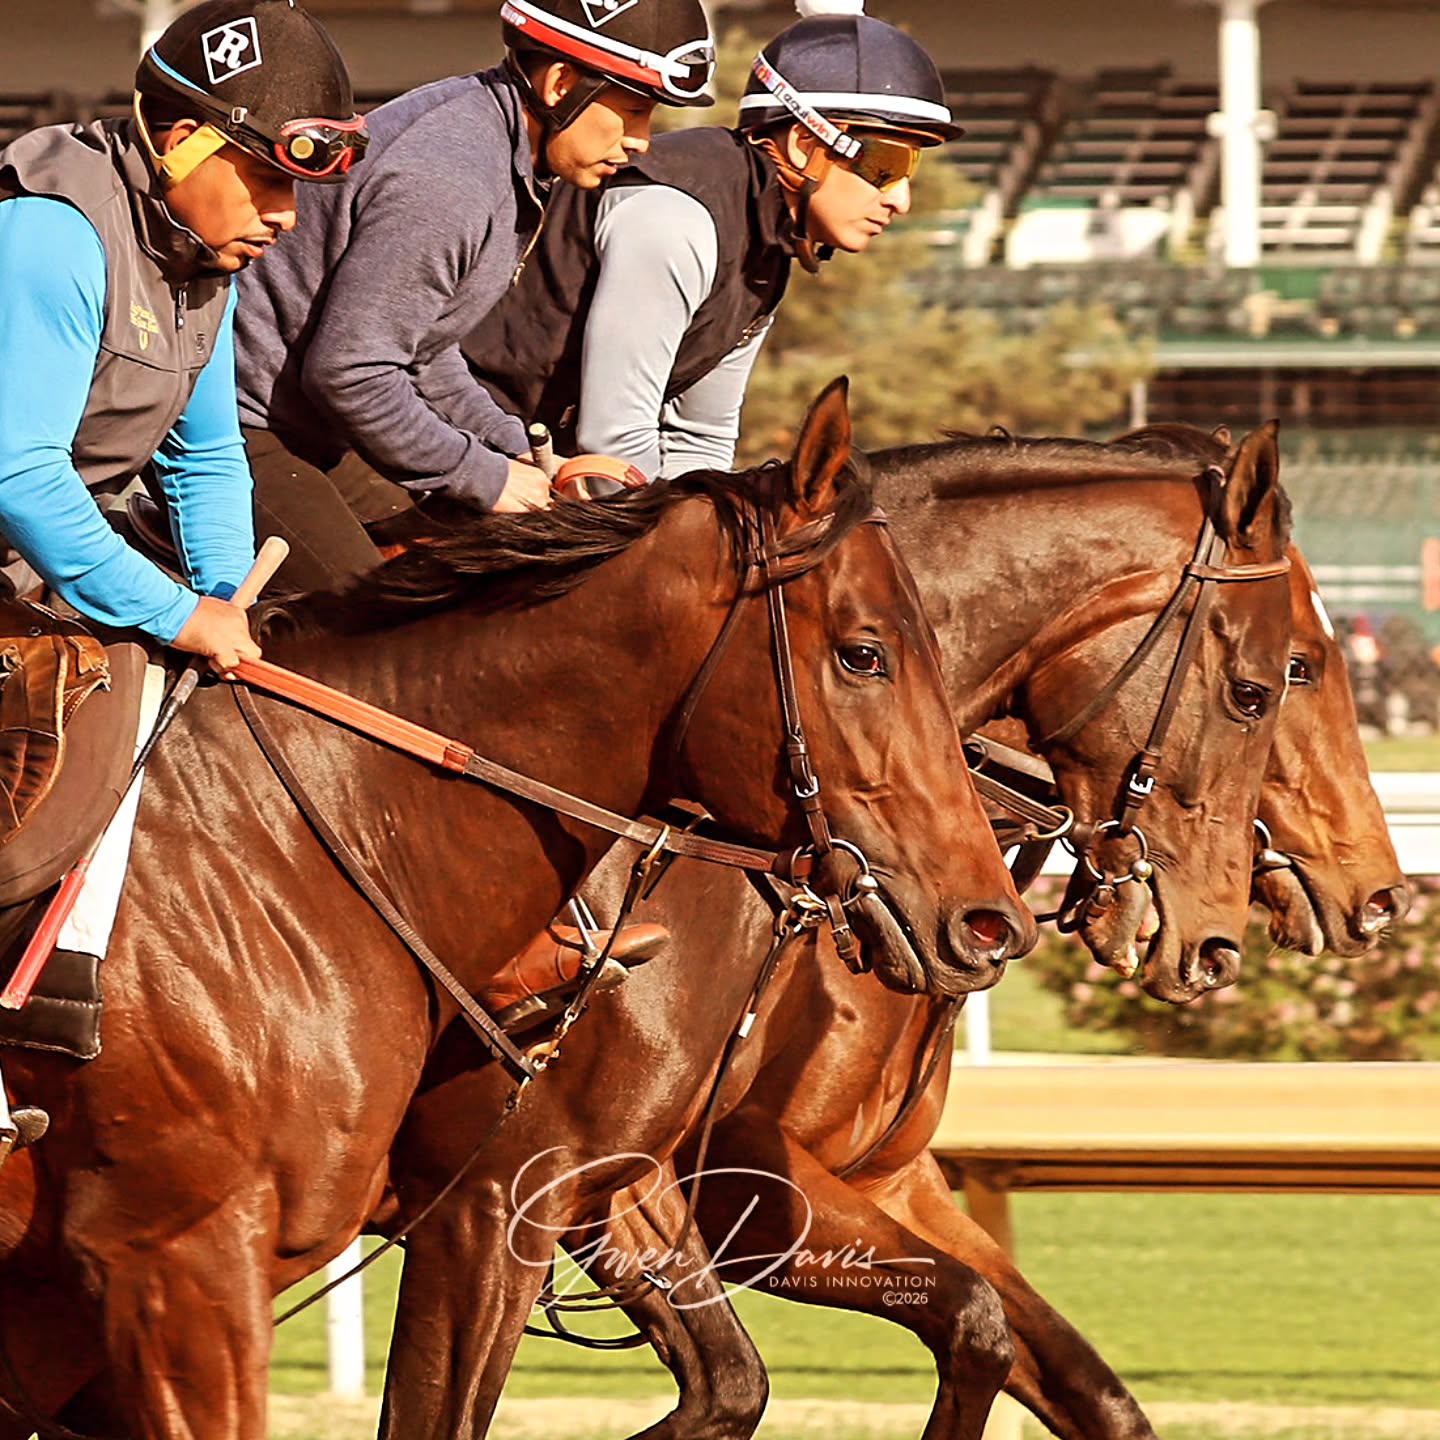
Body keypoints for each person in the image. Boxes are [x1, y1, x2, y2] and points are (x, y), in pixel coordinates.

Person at [0, 0, 368, 1167]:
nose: (285, 213)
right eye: (266, 177)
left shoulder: (209, 265)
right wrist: (173, 611)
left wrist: (225, 599)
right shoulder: (50, 237)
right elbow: (18, 475)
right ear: (179, 143)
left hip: (46, 576)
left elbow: (204, 458)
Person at [231, 0, 717, 594]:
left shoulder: (498, 139)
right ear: (562, 84)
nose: (642, 141)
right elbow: (351, 374)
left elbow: (426, 352)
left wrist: (516, 450)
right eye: (633, 111)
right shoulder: (452, 180)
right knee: (384, 626)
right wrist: (483, 474)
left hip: (315, 424)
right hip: (242, 426)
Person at [465, 0, 963, 481]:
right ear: (804, 143)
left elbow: (700, 439)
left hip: (532, 469)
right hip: (454, 455)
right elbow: (613, 445)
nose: (901, 200)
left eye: (912, 168)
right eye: (886, 165)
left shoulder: (769, 248)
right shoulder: (676, 221)